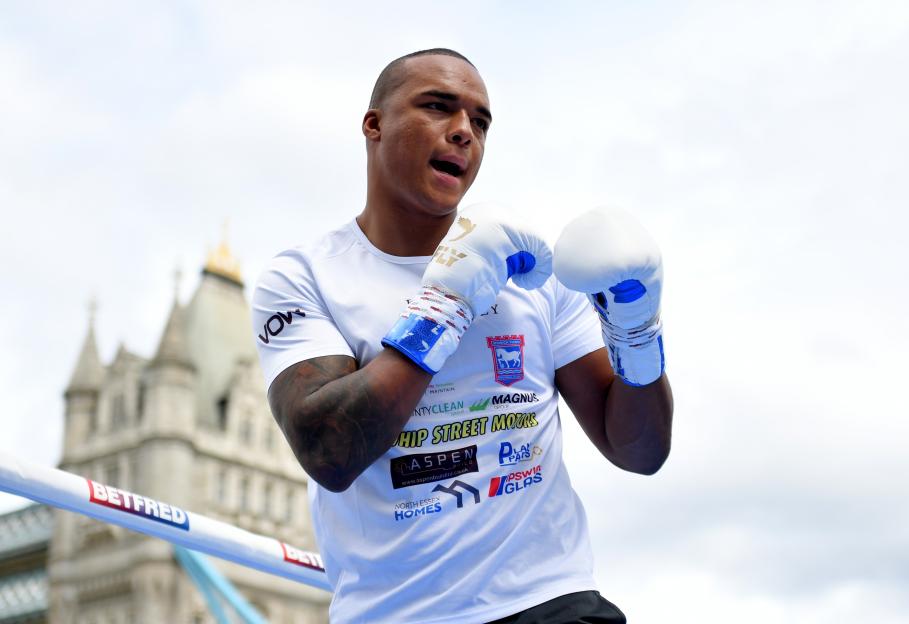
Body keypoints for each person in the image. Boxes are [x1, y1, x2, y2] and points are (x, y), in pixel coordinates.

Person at [251, 48, 673, 624]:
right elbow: (328, 451)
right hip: (395, 614)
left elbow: (640, 452)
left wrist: (636, 333)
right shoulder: (304, 277)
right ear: (374, 124)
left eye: (480, 121)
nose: (463, 132)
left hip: (549, 601)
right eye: (437, 107)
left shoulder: (533, 272)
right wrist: (445, 306)